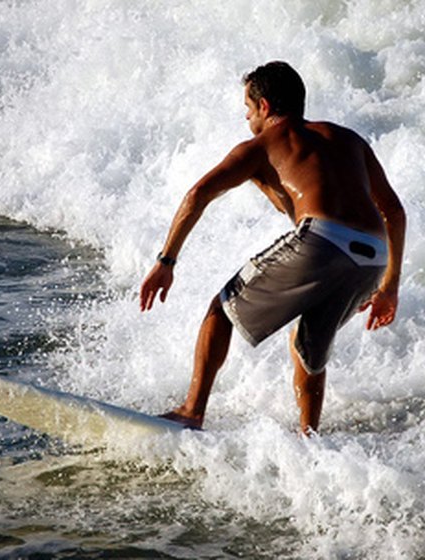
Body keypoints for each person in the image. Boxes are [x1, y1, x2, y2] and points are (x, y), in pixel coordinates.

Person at [139, 61, 406, 435]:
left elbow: (198, 194)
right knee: (307, 347)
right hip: (373, 255)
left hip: (322, 240)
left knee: (222, 308)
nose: (246, 119)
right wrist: (389, 287)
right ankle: (307, 436)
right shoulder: (347, 140)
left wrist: (166, 261)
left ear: (264, 107)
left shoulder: (261, 145)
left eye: (248, 109)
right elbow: (393, 210)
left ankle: (191, 411)